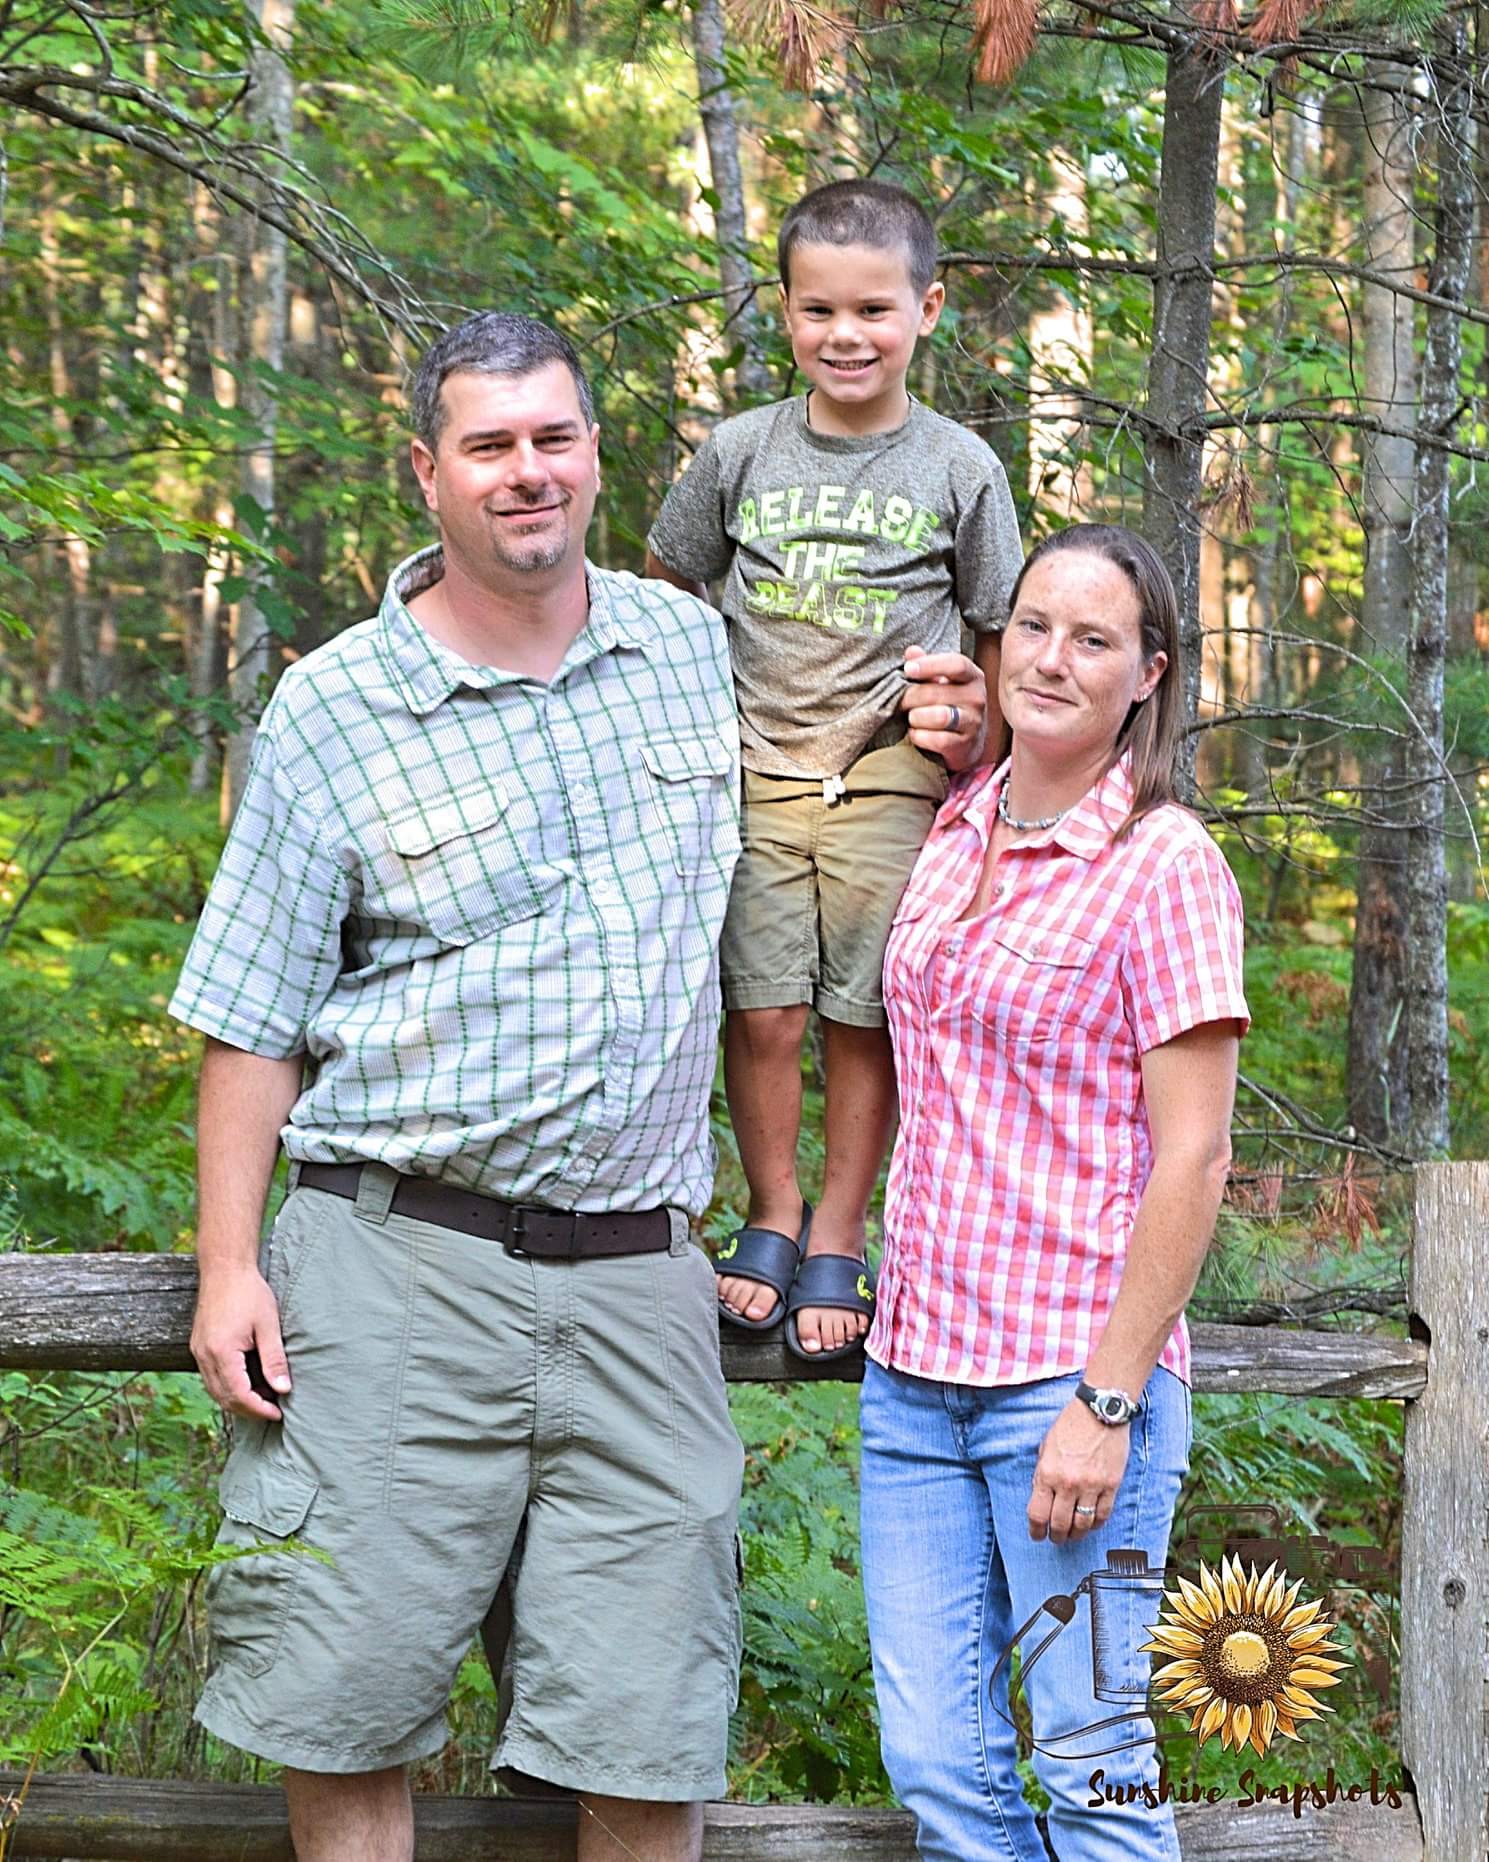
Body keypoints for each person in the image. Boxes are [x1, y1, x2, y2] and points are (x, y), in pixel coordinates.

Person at [171, 312, 747, 1862]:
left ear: (597, 454)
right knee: (344, 1696)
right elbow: (250, 1017)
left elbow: (851, 812)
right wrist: (230, 1265)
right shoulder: (335, 706)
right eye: (488, 445)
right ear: (427, 474)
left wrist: (954, 708)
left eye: (552, 437)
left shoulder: (687, 653)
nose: (525, 473)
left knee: (649, 1724)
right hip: (393, 1266)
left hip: (640, 1278)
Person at [859, 524, 1249, 1861]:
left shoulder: (1163, 862)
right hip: (912, 1376)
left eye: (1093, 639)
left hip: (1065, 1382)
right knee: (936, 1759)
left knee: (1090, 1759)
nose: (1052, 657)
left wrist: (1105, 1401)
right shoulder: (956, 818)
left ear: (1147, 672)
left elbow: (1193, 1157)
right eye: (1032, 624)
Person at [646, 178, 1023, 1360]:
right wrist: (685, 720)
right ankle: (770, 1210)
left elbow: (999, 625)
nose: (844, 335)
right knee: (758, 1008)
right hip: (752, 767)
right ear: (785, 312)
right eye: (818, 311)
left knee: (863, 1012)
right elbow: (666, 583)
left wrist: (981, 755)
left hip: (887, 770)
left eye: (872, 309)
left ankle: (840, 1232)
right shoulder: (740, 449)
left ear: (929, 309)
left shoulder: (958, 466)